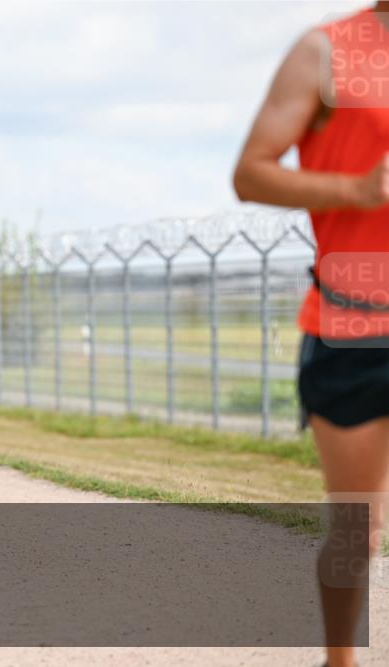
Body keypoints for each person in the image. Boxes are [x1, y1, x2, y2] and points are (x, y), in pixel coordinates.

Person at [233, 5, 389, 666]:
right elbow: (250, 173)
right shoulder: (325, 53)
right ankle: (340, 658)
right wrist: (357, 188)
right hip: (354, 324)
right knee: (358, 527)